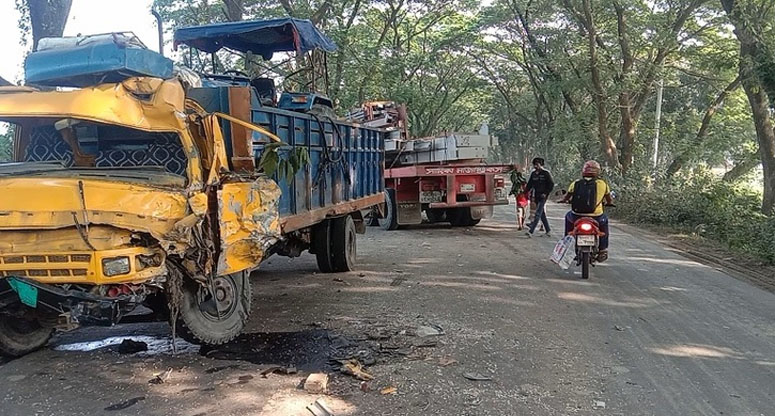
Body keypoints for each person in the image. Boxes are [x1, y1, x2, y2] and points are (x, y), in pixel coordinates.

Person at [559, 160, 613, 262]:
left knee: (568, 216)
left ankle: (567, 241)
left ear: (584, 171)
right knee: (604, 222)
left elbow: (567, 197)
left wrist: (563, 200)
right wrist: (609, 203)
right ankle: (603, 250)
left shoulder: (576, 183)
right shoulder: (603, 184)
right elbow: (609, 199)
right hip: (596, 216)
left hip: (577, 215)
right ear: (597, 171)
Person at [525, 157, 554, 237]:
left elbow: (551, 185)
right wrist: (525, 192)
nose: (536, 166)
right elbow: (529, 185)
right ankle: (548, 230)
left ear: (541, 165)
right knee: (542, 214)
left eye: (537, 165)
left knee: (537, 213)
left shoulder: (546, 174)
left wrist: (546, 193)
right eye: (535, 165)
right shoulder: (533, 174)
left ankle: (531, 231)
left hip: (543, 196)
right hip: (536, 196)